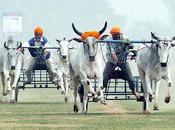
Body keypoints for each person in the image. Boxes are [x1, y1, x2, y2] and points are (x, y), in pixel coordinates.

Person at [103, 26, 141, 100]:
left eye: (118, 35)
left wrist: (131, 49)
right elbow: (113, 54)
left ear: (120, 34)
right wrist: (117, 62)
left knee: (130, 78)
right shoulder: (108, 40)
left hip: (123, 61)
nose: (117, 37)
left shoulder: (126, 38)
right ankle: (101, 90)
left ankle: (134, 91)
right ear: (112, 35)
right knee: (104, 77)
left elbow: (131, 48)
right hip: (111, 61)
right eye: (115, 36)